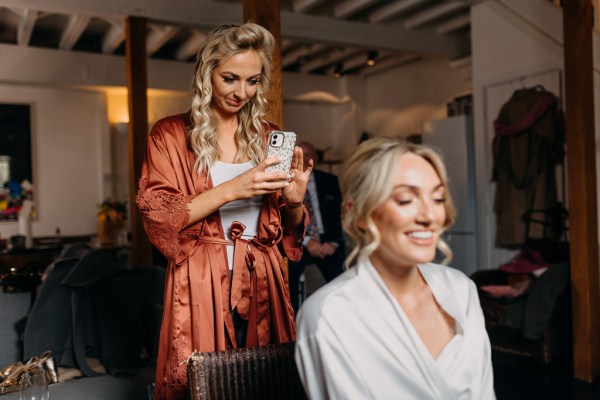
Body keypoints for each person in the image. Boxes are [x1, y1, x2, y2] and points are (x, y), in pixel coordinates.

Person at [136, 23, 312, 400]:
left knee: (268, 378)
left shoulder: (268, 136)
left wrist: (295, 202)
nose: (241, 92)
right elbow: (161, 215)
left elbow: (289, 234)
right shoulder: (169, 135)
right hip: (200, 276)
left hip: (263, 274)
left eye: (252, 81)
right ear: (206, 74)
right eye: (230, 78)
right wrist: (236, 187)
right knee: (205, 382)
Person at [295, 137, 495, 399]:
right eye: (405, 200)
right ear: (361, 214)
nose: (429, 216)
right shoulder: (328, 315)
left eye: (437, 199)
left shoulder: (461, 289)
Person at [287, 141, 344, 312]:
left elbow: (338, 215)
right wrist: (306, 241)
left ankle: (340, 318)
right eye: (300, 154)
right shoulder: (284, 182)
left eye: (309, 154)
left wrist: (333, 242)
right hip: (297, 240)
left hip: (326, 240)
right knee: (287, 280)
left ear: (316, 159)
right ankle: (293, 326)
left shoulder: (330, 181)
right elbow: (283, 220)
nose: (304, 159)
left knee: (341, 279)